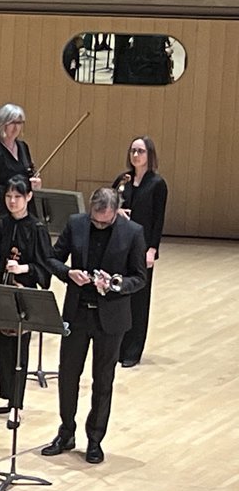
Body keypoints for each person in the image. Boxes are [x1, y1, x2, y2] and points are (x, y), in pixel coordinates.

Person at [40, 188, 147, 465]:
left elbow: (139, 277)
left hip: (110, 318)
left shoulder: (133, 232)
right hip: (77, 314)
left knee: (103, 380)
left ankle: (95, 439)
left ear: (115, 212)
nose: (98, 224)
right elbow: (52, 259)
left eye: (105, 221)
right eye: (95, 220)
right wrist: (67, 273)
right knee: (68, 375)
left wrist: (116, 283)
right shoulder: (77, 223)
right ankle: (66, 432)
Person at [0, 176, 52, 427]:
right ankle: (9, 397)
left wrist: (23, 269)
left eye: (18, 197)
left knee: (20, 351)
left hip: (24, 295)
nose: (12, 201)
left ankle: (17, 405)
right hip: (2, 293)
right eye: (9, 196)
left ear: (29, 197)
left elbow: (44, 268)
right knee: (3, 348)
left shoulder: (37, 229)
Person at [113, 136, 167, 367]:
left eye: (141, 151)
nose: (136, 155)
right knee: (118, 296)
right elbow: (107, 205)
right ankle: (118, 346)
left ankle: (133, 350)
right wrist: (117, 211)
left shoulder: (157, 184)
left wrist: (152, 249)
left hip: (142, 247)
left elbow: (158, 220)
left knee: (139, 299)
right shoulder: (122, 180)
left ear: (149, 155)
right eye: (133, 150)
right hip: (120, 245)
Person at [0, 104, 42, 250]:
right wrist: (18, 189)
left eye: (19, 123)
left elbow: (28, 173)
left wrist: (33, 182)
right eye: (12, 123)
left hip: (20, 213)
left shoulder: (23, 147)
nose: (16, 127)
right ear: (2, 124)